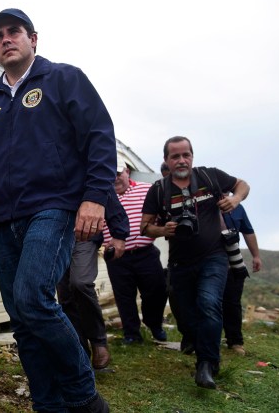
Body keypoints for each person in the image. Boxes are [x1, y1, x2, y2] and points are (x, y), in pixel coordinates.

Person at [0, 8, 114, 412]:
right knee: (23, 323)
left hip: (54, 208)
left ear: (33, 39)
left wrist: (95, 198)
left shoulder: (63, 79)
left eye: (14, 32)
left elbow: (99, 136)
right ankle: (49, 405)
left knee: (33, 298)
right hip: (3, 221)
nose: (5, 39)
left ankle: (84, 396)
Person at [141, 136, 250, 390]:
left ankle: (207, 365)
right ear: (167, 160)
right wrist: (162, 230)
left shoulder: (210, 177)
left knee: (209, 304)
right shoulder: (158, 190)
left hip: (214, 257)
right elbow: (145, 227)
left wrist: (234, 200)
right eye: (175, 156)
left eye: (186, 154)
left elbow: (242, 185)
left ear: (192, 155)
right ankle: (195, 342)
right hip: (180, 263)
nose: (181, 160)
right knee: (187, 315)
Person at [58, 188, 128, 370]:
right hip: (55, 236)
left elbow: (106, 195)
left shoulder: (85, 167)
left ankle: (98, 341)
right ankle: (80, 352)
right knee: (65, 296)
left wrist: (119, 235)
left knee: (80, 283)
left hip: (85, 235)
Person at [102, 155, 168, 345]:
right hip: (117, 257)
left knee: (156, 290)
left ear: (127, 172)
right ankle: (132, 334)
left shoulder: (146, 189)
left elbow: (160, 212)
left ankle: (154, 324)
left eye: (117, 173)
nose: (114, 178)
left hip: (145, 251)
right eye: (110, 174)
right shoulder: (103, 195)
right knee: (124, 296)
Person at [222, 204, 263, 355]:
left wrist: (256, 256)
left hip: (233, 263)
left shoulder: (237, 207)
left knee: (232, 302)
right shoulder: (202, 200)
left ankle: (235, 341)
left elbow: (248, 231)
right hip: (206, 261)